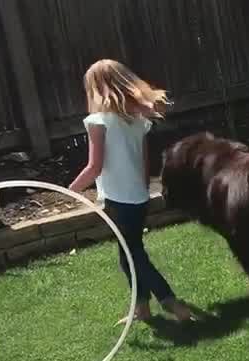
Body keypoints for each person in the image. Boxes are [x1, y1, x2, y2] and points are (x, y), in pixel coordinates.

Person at [68, 59, 192, 322]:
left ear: (97, 89)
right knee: (128, 254)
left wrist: (71, 190)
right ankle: (142, 308)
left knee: (134, 255)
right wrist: (143, 188)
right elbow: (144, 161)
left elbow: (94, 166)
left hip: (119, 200)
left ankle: (172, 303)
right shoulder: (137, 120)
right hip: (138, 197)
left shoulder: (98, 121)